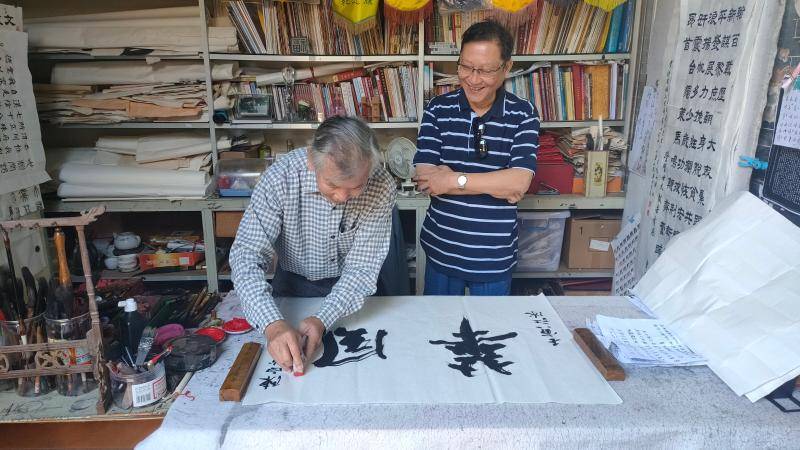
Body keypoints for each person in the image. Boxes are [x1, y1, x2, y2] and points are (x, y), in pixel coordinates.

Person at [230, 116, 396, 374]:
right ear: (311, 160)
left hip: (354, 292)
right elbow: (247, 255)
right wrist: (272, 324)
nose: (342, 197)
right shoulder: (281, 177)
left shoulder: (381, 184)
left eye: (356, 187)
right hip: (292, 285)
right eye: (332, 184)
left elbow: (361, 269)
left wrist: (323, 318)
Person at [413, 20, 540, 296]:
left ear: (506, 67)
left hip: (494, 258)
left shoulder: (523, 114)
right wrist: (496, 183)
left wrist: (452, 180)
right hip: (442, 252)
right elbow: (425, 178)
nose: (472, 78)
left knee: (490, 324)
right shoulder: (437, 109)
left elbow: (518, 183)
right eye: (466, 67)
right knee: (438, 323)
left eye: (484, 70)